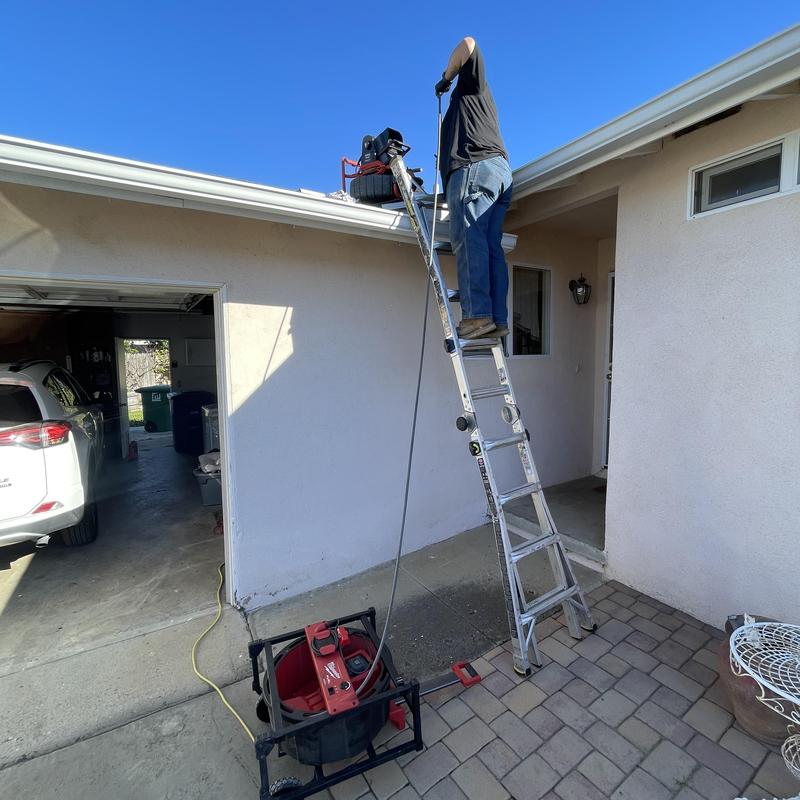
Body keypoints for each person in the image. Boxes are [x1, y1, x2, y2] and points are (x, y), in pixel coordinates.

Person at [435, 37, 512, 340]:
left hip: (475, 167)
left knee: (468, 238)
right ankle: (498, 319)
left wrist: (446, 77)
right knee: (489, 245)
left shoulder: (470, 85)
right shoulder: (472, 104)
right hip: (496, 173)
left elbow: (468, 44)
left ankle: (478, 317)